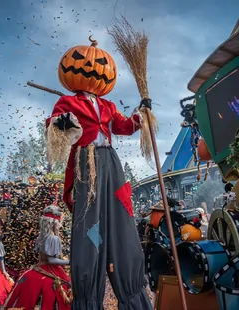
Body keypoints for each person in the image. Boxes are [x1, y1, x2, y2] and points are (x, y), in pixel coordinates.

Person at [45, 37, 152, 310]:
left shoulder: (107, 106)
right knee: (90, 221)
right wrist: (64, 122)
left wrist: (143, 116)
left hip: (110, 163)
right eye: (87, 63)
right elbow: (53, 126)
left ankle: (132, 295)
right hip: (87, 163)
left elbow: (125, 127)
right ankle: (89, 298)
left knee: (121, 215)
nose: (95, 68)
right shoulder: (68, 101)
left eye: (102, 65)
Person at [4, 204, 71, 310]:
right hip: (51, 270)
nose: (60, 225)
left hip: (37, 268)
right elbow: (51, 260)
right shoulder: (53, 238)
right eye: (59, 222)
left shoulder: (42, 236)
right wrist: (69, 262)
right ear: (53, 222)